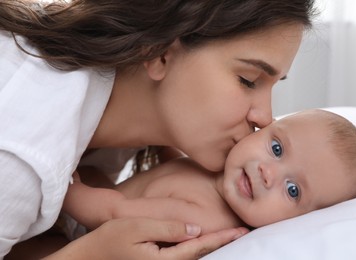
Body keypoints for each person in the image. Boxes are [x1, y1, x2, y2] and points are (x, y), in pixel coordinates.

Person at [0, 0, 317, 259]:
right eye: (248, 80)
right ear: (160, 52)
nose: (266, 116)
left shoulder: (123, 125)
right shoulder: (21, 153)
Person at [62, 109, 356, 238]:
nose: (268, 174)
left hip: (85, 229)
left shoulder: (206, 217)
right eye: (276, 149)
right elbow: (175, 169)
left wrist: (65, 184)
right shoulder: (219, 168)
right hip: (102, 200)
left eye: (293, 190)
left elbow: (114, 213)